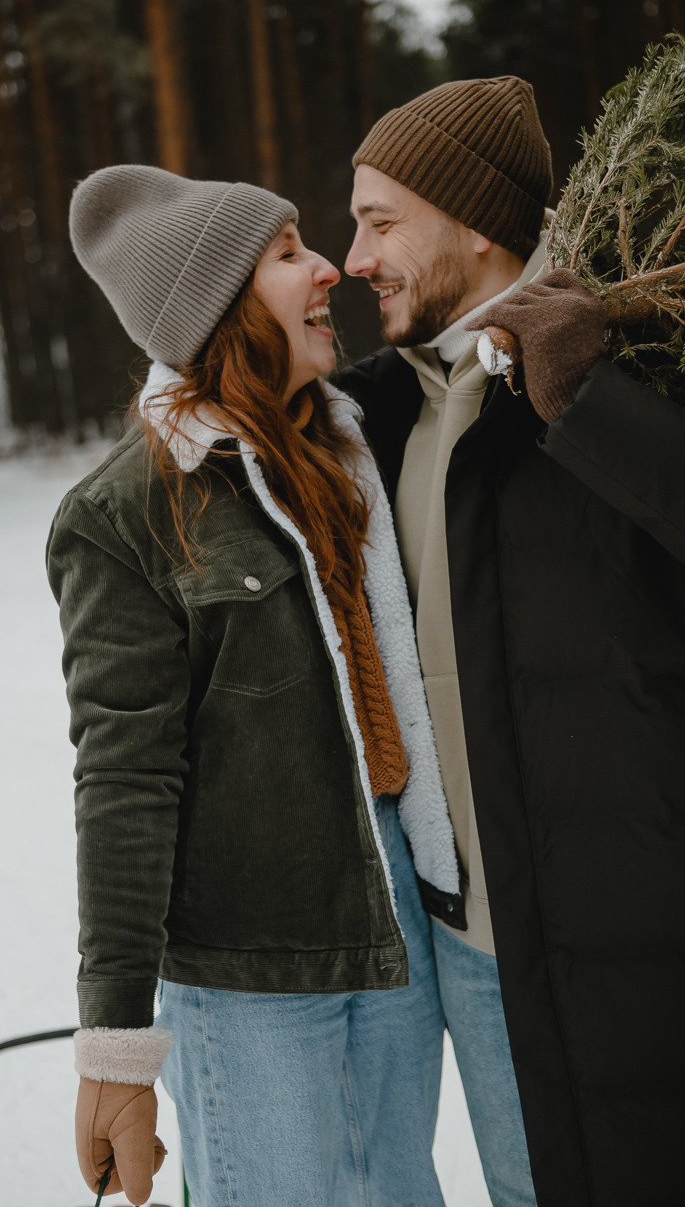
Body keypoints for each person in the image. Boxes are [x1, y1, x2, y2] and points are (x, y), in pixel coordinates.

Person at [46, 165, 460, 1207]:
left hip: (389, 923)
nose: (328, 267)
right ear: (219, 306)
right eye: (285, 255)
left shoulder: (347, 441)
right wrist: (117, 1043)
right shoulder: (127, 511)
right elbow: (124, 784)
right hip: (247, 980)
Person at [339, 76, 685, 1207]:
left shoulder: (623, 368)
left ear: (477, 224)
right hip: (479, 948)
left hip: (634, 945)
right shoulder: (387, 410)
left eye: (380, 221)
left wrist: (586, 397)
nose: (354, 257)